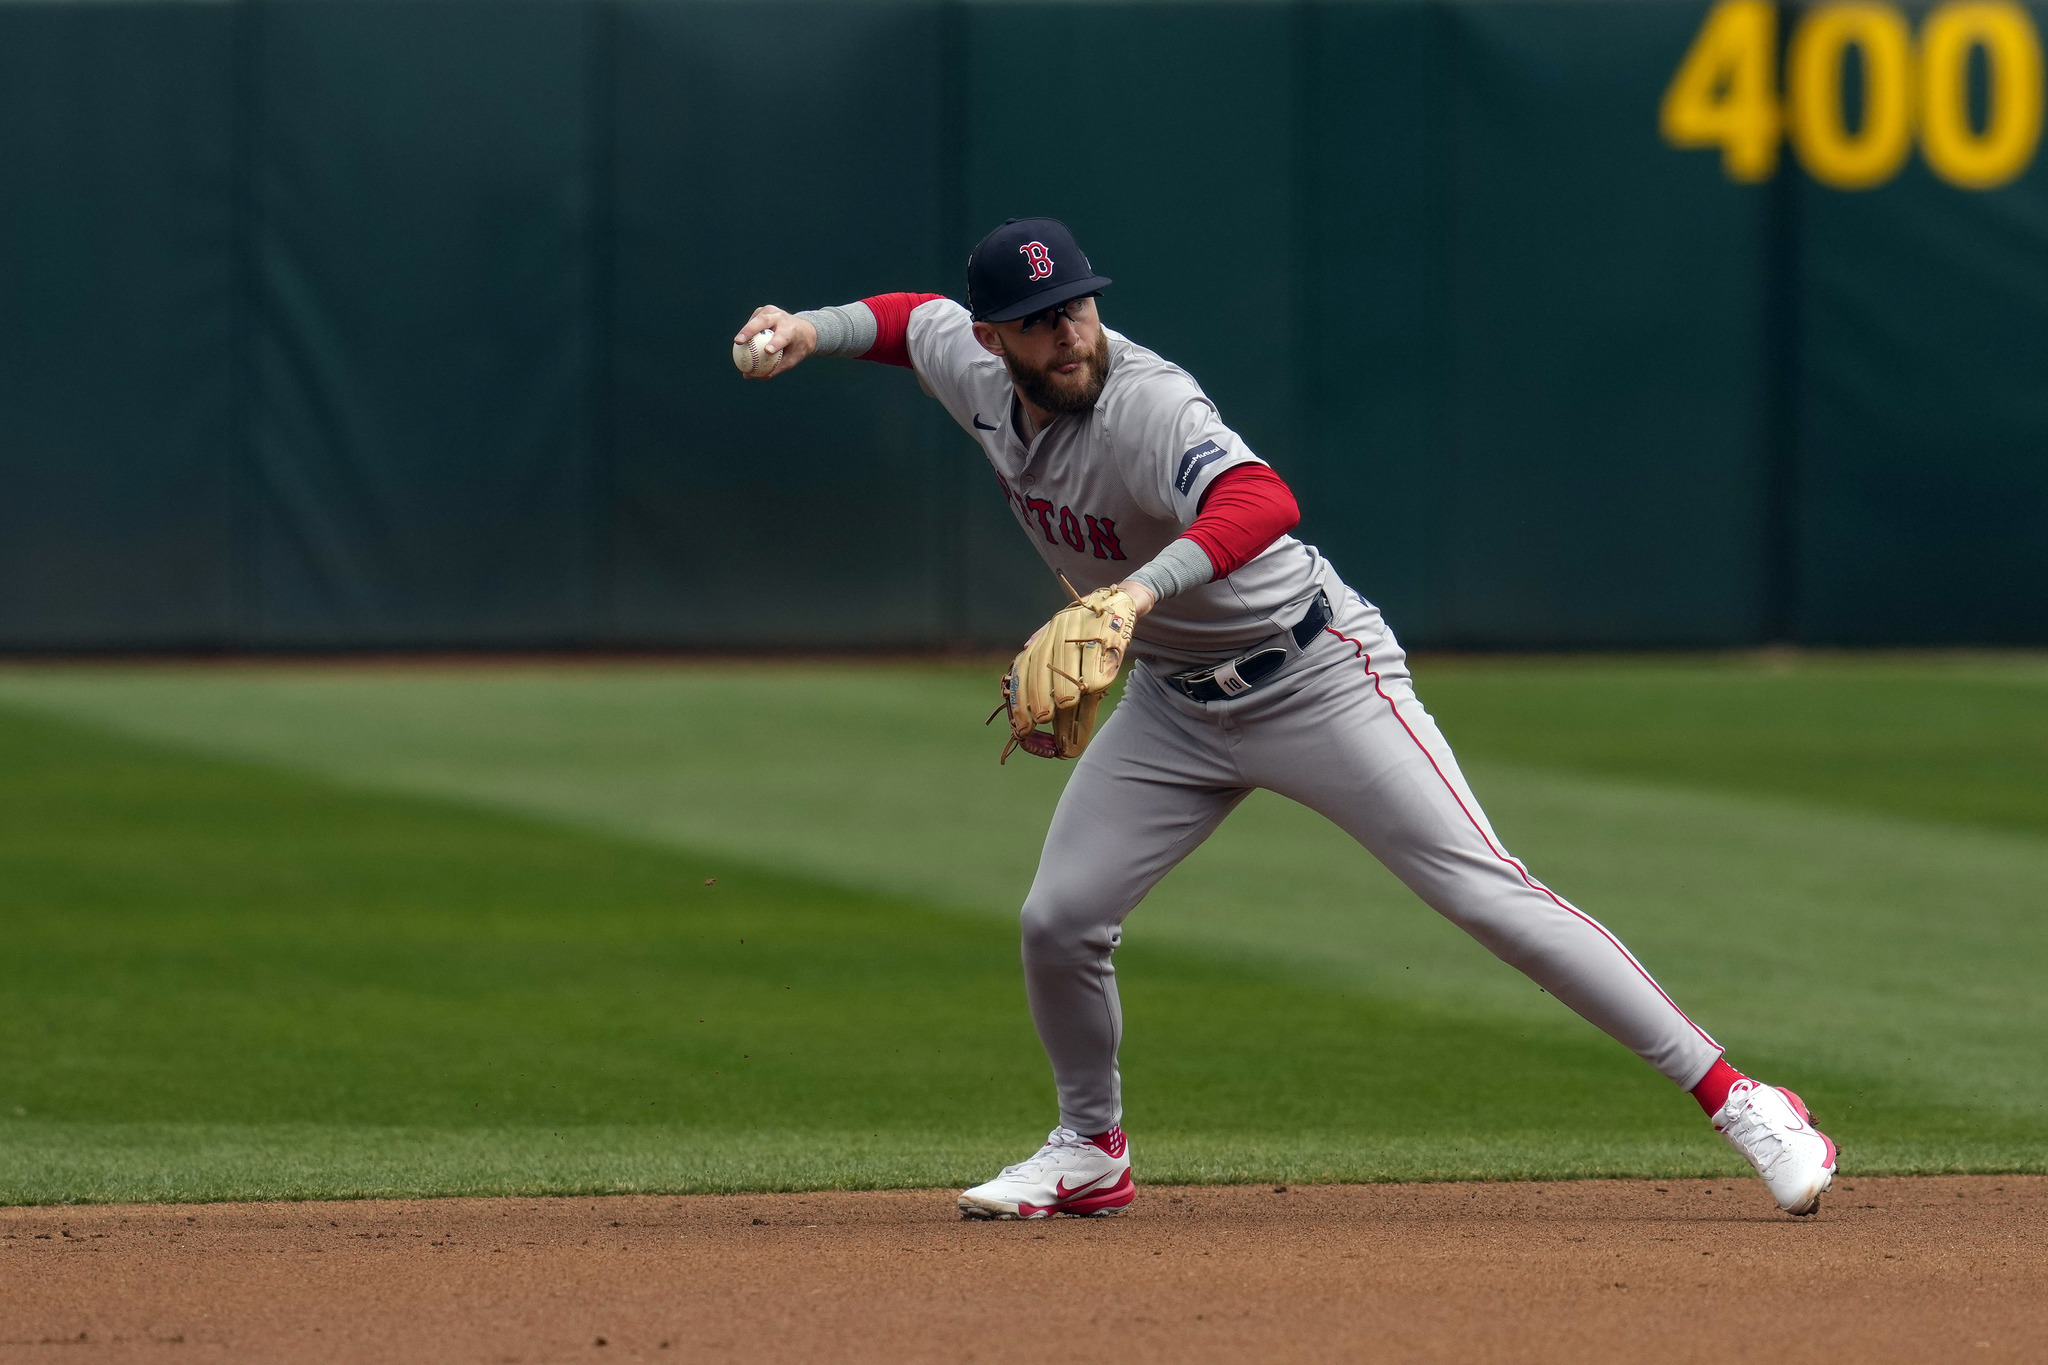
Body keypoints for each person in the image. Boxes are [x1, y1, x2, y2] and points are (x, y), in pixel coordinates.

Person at [731, 216, 1837, 1220]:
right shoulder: (967, 363)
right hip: (1171, 705)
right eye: (1034, 322)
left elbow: (1262, 502)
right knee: (1057, 921)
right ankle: (1088, 1149)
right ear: (996, 336)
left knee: (1482, 891)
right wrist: (804, 329)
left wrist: (1133, 593)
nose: (1065, 335)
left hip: (1316, 675)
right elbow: (904, 321)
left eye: (1074, 305)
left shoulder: (1149, 401)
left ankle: (1744, 1100)